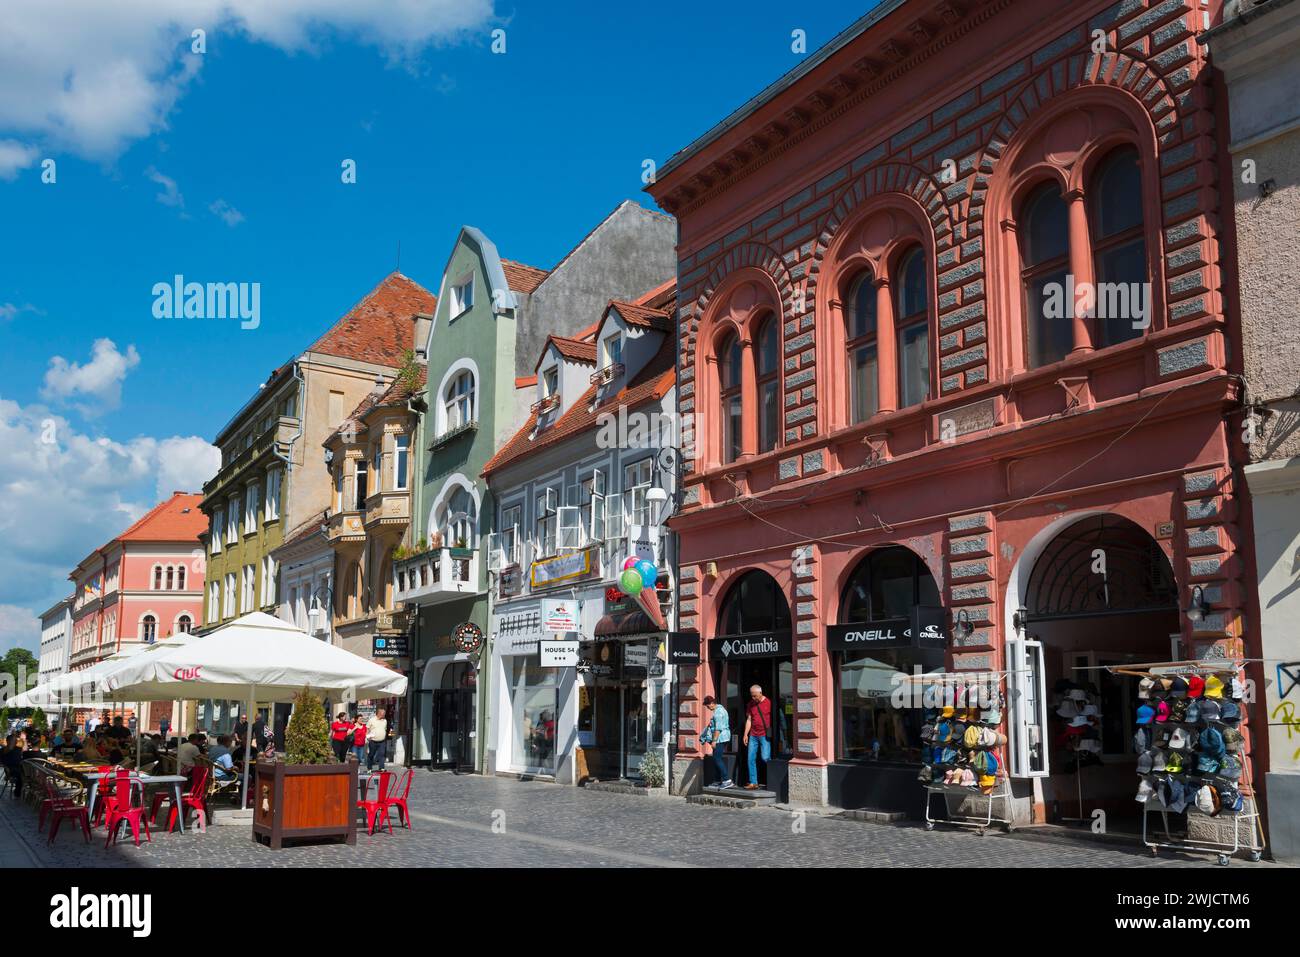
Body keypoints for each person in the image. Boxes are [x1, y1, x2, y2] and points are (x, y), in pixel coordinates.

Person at [742, 684, 773, 791]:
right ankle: (753, 782)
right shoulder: (750, 704)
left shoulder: (768, 702)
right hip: (753, 735)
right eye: (752, 696)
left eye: (755, 696)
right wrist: (745, 734)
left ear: (760, 693)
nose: (753, 698)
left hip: (764, 734)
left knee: (765, 758)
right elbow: (749, 720)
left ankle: (772, 780)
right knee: (750, 758)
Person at [700, 695, 734, 789]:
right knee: (716, 758)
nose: (707, 708)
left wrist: (714, 741)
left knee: (717, 758)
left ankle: (727, 780)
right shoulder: (720, 710)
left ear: (712, 703)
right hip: (723, 737)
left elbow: (718, 729)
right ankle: (718, 781)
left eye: (707, 706)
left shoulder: (718, 713)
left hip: (720, 738)